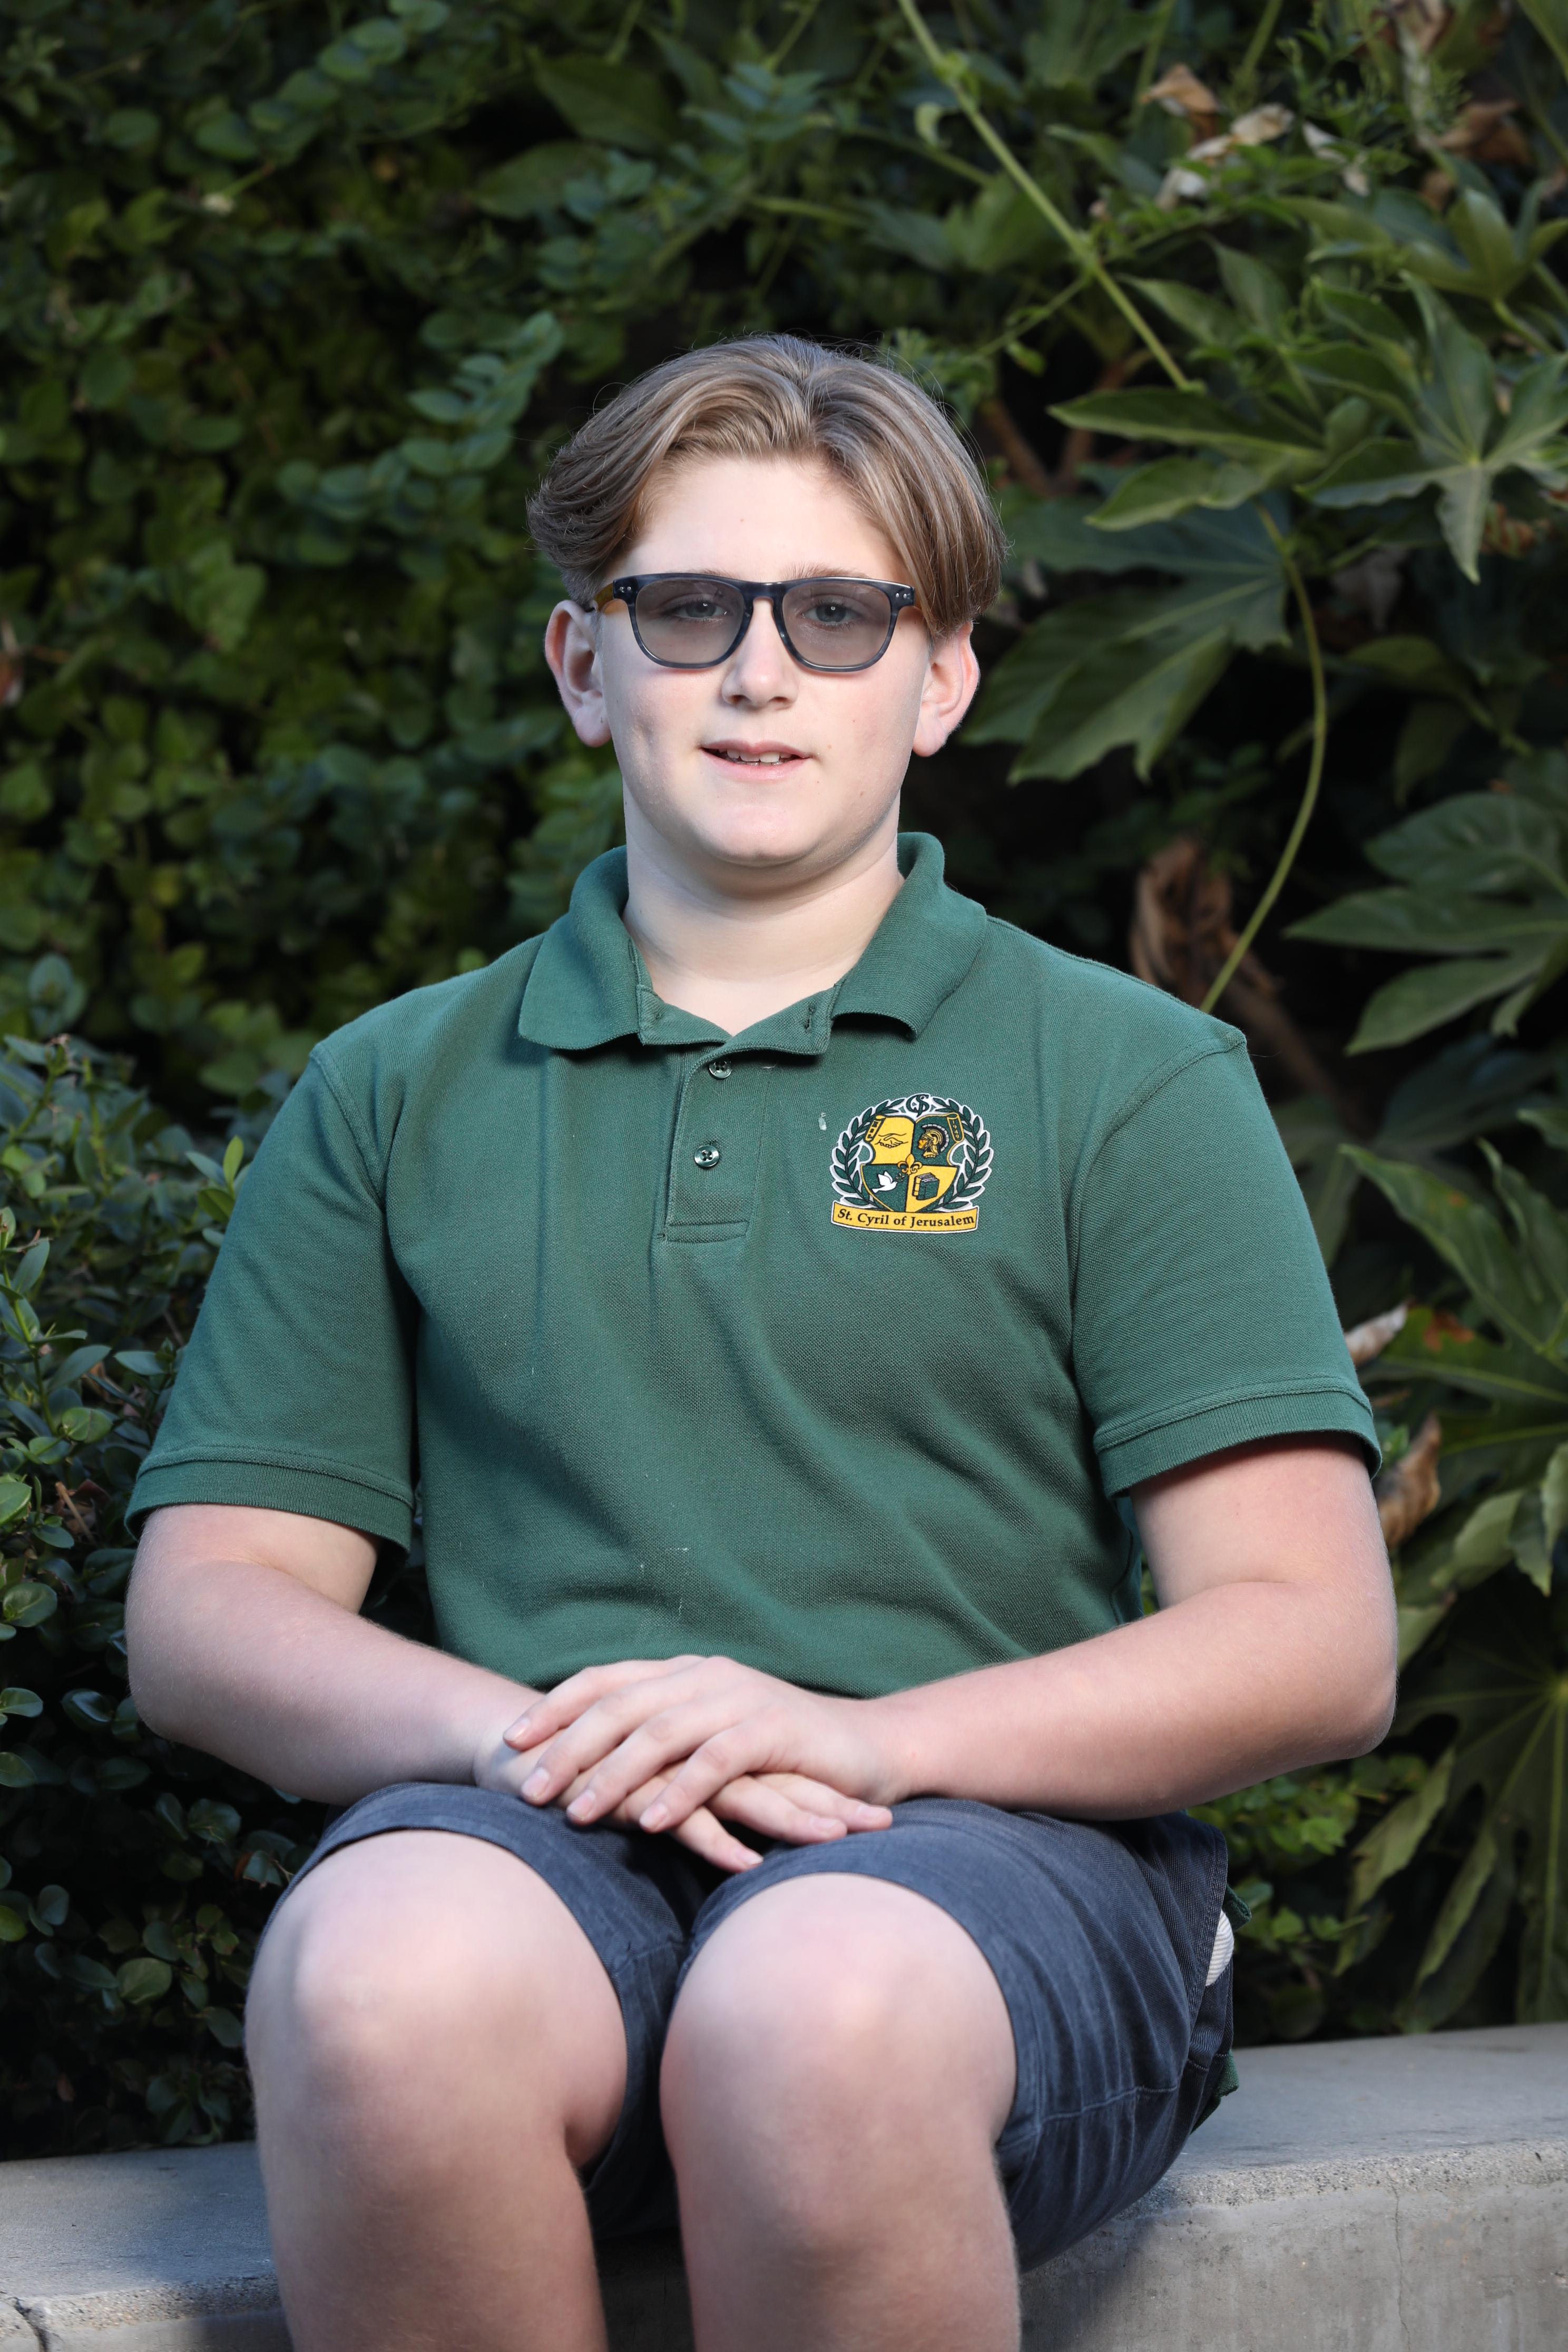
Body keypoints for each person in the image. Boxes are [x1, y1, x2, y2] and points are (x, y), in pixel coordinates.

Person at [124, 335, 1396, 2352]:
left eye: (837, 616)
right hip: (548, 1836)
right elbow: (211, 1613)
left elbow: (1311, 1640)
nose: (758, 673)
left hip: (988, 1872)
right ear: (583, 664)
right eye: (689, 609)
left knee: (806, 2011)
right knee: (377, 1981)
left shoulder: (1127, 1076)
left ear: (940, 678)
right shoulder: (394, 1089)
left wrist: (859, 1739)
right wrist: (528, 1738)